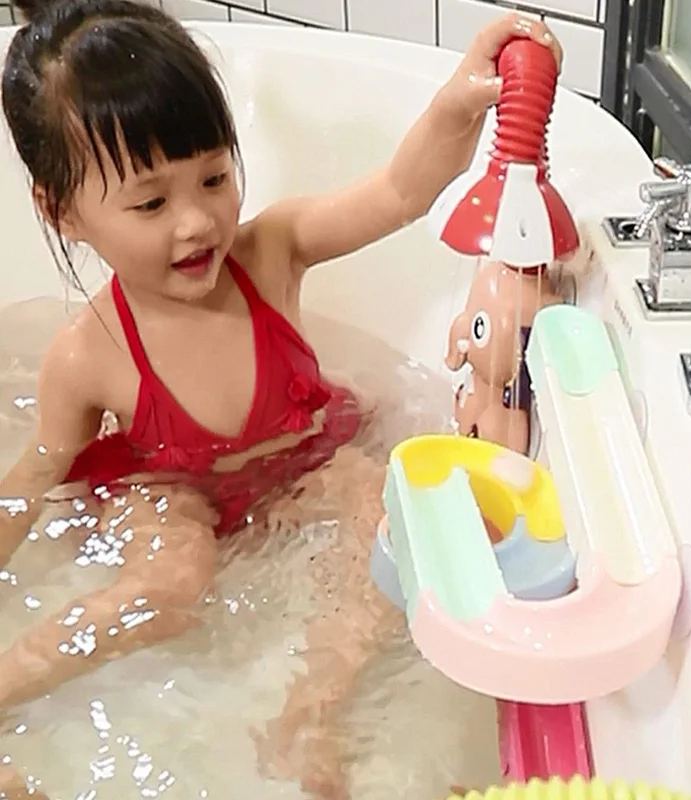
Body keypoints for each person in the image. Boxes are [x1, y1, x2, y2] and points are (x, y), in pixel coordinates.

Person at [0, 1, 563, 795]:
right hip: (173, 490)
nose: (197, 222)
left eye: (214, 177)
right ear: (62, 212)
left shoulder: (272, 251)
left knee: (389, 513)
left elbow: (400, 191)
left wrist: (460, 100)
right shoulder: (86, 354)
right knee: (169, 585)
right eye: (152, 203)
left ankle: (312, 709)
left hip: (303, 462)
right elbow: (36, 476)